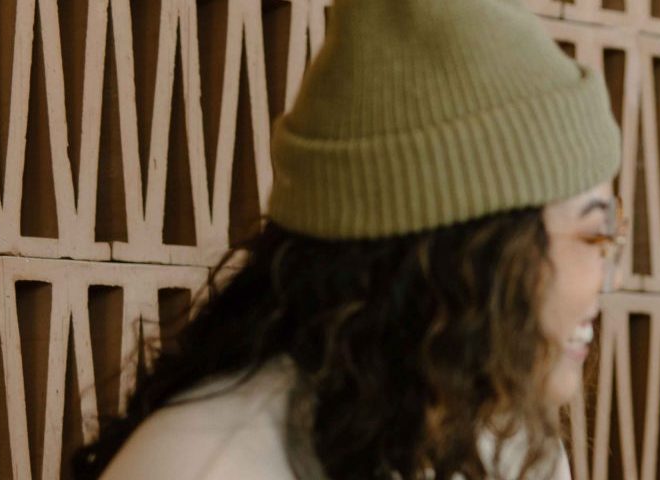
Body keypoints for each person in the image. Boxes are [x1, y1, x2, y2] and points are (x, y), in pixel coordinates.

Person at [71, 0, 622, 477]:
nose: (606, 278)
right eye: (594, 236)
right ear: (471, 251)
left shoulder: (505, 446)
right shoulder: (206, 466)